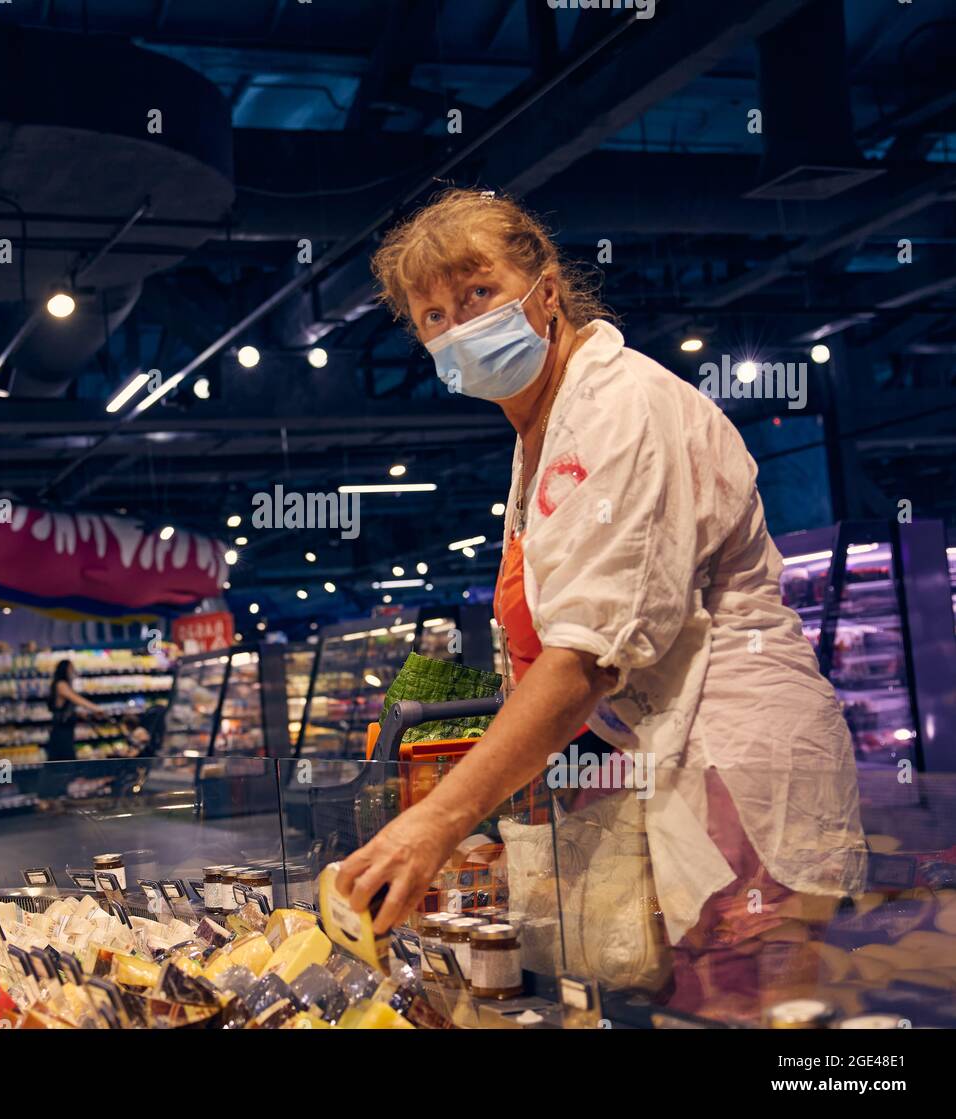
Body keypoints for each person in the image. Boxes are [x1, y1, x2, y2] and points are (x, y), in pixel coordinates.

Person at [339, 188, 866, 1015]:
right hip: (665, 759)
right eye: (433, 314)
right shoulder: (544, 428)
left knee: (759, 1014)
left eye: (478, 293)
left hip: (730, 764)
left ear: (546, 291)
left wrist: (437, 819)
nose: (459, 326)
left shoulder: (619, 410)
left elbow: (584, 660)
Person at [45, 659, 104, 763]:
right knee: (64, 761)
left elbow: (66, 706)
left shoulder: (62, 684)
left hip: (65, 729)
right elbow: (76, 699)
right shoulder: (61, 684)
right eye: (71, 668)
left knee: (62, 761)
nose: (73, 671)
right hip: (61, 731)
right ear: (65, 670)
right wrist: (96, 708)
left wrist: (79, 714)